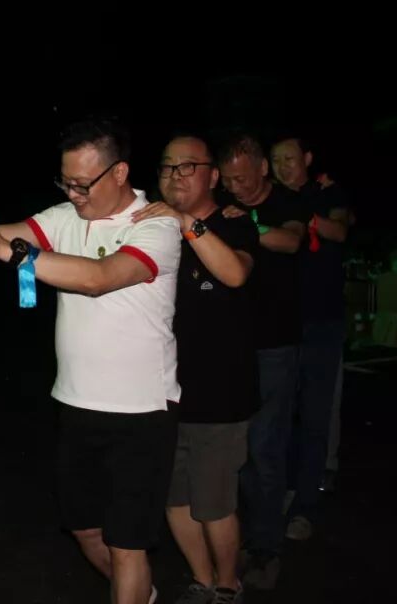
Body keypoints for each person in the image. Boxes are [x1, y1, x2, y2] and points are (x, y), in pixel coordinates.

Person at [0, 116, 181, 604]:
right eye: (66, 182)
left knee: (127, 545)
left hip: (140, 413)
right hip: (76, 405)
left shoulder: (157, 225)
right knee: (85, 530)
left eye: (83, 184)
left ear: (119, 173)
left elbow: (100, 277)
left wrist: (14, 255)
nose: (74, 194)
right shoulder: (63, 217)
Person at [131, 134, 257, 604]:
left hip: (221, 395)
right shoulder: (153, 228)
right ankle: (203, 580)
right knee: (175, 499)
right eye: (167, 167)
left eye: (188, 167)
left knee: (214, 504)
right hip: (163, 394)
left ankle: (228, 585)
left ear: (213, 176)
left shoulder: (233, 225)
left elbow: (235, 273)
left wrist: (187, 224)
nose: (175, 176)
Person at [217, 131, 306, 590]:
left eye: (243, 178)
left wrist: (249, 224)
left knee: (265, 447)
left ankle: (266, 546)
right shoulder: (224, 205)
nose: (235, 187)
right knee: (233, 449)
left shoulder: (286, 202)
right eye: (228, 180)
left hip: (275, 346)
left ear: (263, 169)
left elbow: (291, 241)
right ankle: (241, 540)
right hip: (232, 345)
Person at [270, 134, 352, 540]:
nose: (283, 166)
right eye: (276, 160)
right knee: (279, 414)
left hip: (322, 321)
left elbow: (340, 231)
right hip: (282, 323)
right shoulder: (273, 199)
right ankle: (284, 491)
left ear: (307, 158)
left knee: (316, 415)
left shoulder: (328, 192)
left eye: (289, 158)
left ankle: (306, 503)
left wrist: (308, 216)